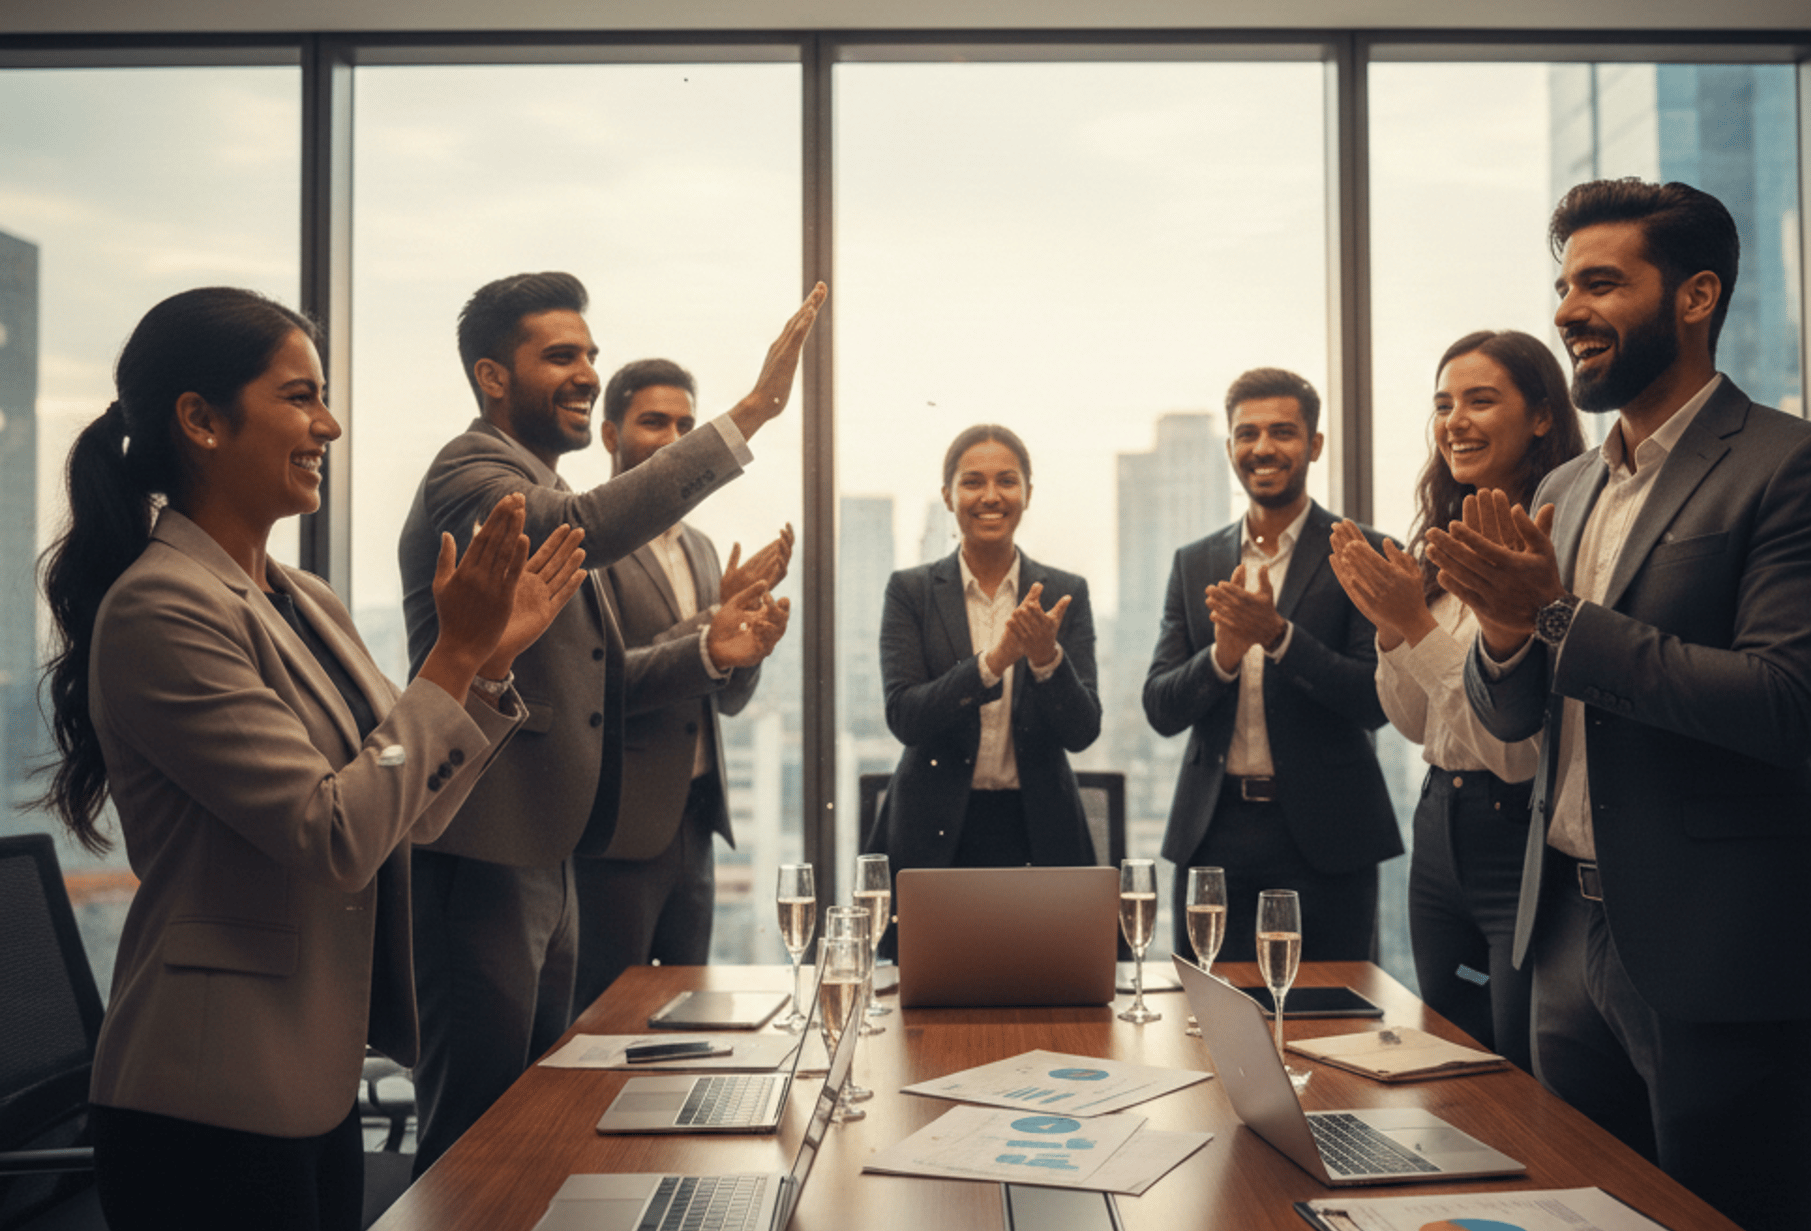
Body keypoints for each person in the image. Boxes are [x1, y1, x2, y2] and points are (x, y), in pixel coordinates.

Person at [35, 287, 585, 1231]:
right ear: (199, 421)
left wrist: (480, 674)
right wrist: (452, 666)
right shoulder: (161, 610)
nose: (329, 425)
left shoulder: (302, 597)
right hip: (205, 1109)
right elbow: (330, 834)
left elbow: (405, 813)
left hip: (309, 1085)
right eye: (300, 396)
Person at [1433, 178, 1811, 1231]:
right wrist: (1502, 637)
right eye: (1561, 285)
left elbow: (1781, 704)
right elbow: (1515, 712)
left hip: (1719, 947)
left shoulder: (1801, 466)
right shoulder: (1570, 490)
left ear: (1695, 296)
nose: (1566, 310)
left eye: (1600, 282)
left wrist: (1548, 613)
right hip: (1563, 939)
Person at [398, 274, 825, 1171]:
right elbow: (575, 527)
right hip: (483, 849)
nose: (586, 371)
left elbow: (598, 678)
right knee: (474, 1130)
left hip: (551, 844)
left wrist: (722, 642)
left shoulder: (549, 486)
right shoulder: (473, 474)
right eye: (561, 356)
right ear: (492, 377)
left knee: (542, 1112)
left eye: (590, 353)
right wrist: (751, 412)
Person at [1329, 331, 1583, 1067]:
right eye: (1443, 404)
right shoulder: (1442, 536)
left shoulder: (1553, 537)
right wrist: (1393, 631)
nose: (1454, 421)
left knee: (1516, 1064)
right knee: (1448, 1054)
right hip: (1441, 826)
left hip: (1519, 832)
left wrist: (1413, 626)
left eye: (1480, 400)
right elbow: (1414, 724)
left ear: (1541, 417)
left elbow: (1513, 747)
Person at [1144, 368, 1402, 964]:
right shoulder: (1194, 562)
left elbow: (1375, 700)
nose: (1262, 448)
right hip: (1213, 833)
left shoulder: (1363, 551)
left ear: (1313, 445)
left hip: (1330, 837)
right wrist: (1224, 655)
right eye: (1247, 433)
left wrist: (1279, 637)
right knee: (1206, 1026)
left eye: (1282, 432)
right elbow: (1160, 707)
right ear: (1230, 447)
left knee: (1333, 1027)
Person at [570, 357, 792, 1013]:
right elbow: (599, 686)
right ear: (610, 436)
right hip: (619, 832)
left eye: (687, 425)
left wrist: (746, 652)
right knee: (607, 1023)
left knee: (687, 1015)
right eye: (654, 422)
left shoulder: (699, 546)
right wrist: (708, 632)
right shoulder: (589, 545)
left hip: (694, 824)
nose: (674, 439)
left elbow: (724, 697)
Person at [871, 425, 1100, 873]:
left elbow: (1083, 731)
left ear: (1027, 494)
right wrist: (992, 665)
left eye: (1007, 481)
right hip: (931, 834)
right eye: (972, 482)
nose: (990, 496)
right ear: (948, 494)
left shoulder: (1065, 593)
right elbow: (905, 717)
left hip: (1038, 831)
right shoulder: (910, 591)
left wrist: (1046, 661)